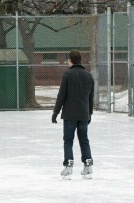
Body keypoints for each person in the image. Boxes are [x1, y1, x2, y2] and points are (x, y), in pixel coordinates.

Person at [52, 50, 94, 179]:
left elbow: (61, 95)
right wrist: (89, 114)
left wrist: (55, 112)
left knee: (68, 140)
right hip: (83, 114)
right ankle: (88, 164)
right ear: (80, 60)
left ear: (70, 60)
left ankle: (69, 165)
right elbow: (90, 98)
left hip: (70, 114)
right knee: (84, 140)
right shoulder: (89, 76)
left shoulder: (67, 75)